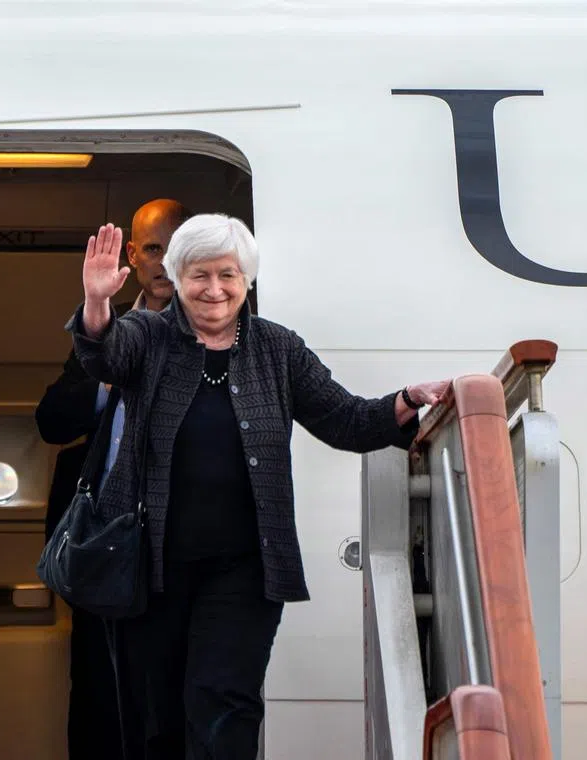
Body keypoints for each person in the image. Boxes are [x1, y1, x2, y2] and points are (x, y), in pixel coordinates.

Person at [65, 215, 449, 759]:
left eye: (229, 274)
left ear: (248, 279)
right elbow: (102, 353)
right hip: (148, 570)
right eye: (200, 274)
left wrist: (408, 397)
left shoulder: (277, 349)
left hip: (244, 571)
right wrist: (98, 303)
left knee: (225, 705)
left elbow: (347, 420)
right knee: (157, 719)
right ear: (176, 276)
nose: (215, 289)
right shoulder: (148, 337)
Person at [36, 199, 190, 759]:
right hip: (104, 546)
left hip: (180, 548)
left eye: (178, 249)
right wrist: (109, 376)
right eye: (153, 248)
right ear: (132, 255)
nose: (166, 262)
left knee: (171, 697)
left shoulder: (222, 329)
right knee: (99, 696)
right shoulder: (105, 327)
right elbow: (50, 420)